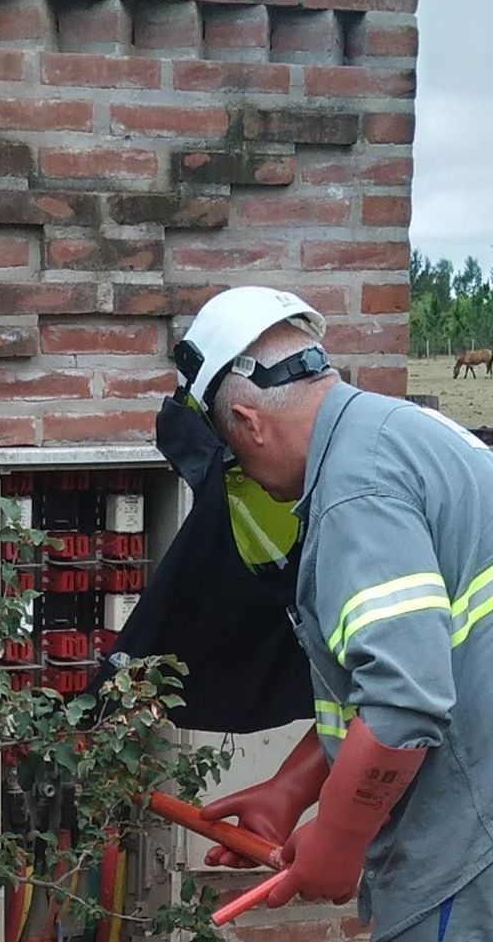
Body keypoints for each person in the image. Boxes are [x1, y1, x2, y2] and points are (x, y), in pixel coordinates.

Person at [173, 285, 493, 942]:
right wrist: (293, 787)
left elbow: (405, 698)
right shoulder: (393, 430)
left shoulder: (355, 492)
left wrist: (343, 836)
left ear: (248, 421)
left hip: (470, 846)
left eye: (233, 456)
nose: (249, 476)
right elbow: (400, 663)